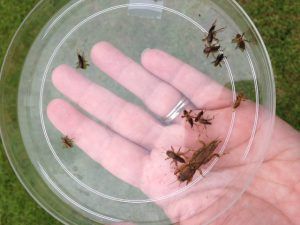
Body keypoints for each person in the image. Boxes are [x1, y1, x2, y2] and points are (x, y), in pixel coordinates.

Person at [47, 42, 300, 225]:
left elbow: (193, 164)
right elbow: (192, 165)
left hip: (205, 152)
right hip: (204, 154)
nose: (182, 172)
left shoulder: (192, 166)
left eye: (183, 173)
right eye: (184, 174)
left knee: (202, 154)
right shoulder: (191, 167)